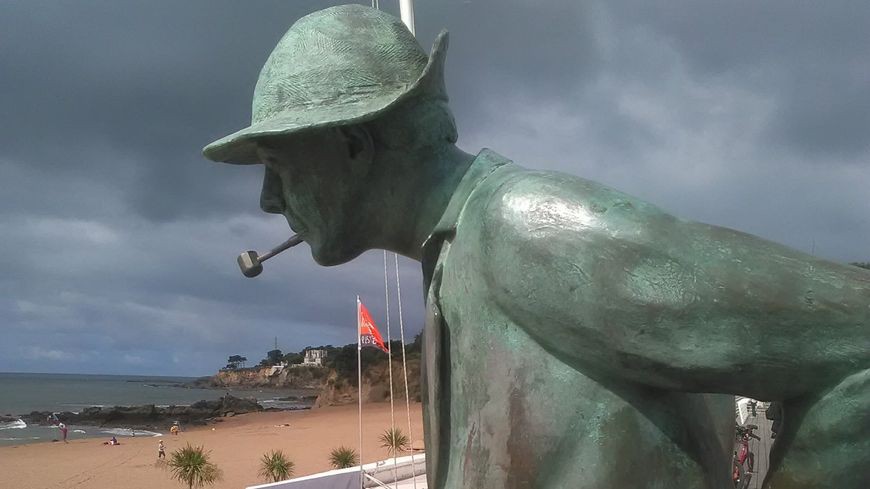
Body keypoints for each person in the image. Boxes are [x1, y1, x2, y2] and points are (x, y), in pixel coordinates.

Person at [203, 5, 870, 488]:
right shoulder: (454, 259)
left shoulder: (523, 228)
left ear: (353, 144)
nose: (268, 199)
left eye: (279, 166)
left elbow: (858, 337)